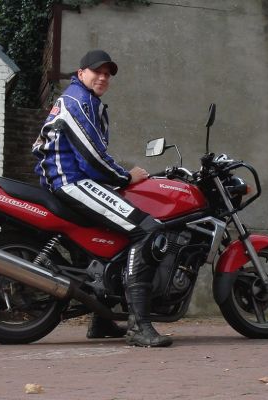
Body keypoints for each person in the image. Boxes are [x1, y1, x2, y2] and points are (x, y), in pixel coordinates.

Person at [32, 49, 172, 347]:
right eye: (97, 71)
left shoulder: (84, 101)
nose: (103, 77)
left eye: (108, 73)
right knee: (148, 230)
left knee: (103, 245)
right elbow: (92, 157)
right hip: (70, 182)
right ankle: (138, 325)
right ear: (81, 73)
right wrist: (124, 177)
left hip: (69, 181)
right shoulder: (77, 101)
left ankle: (103, 320)